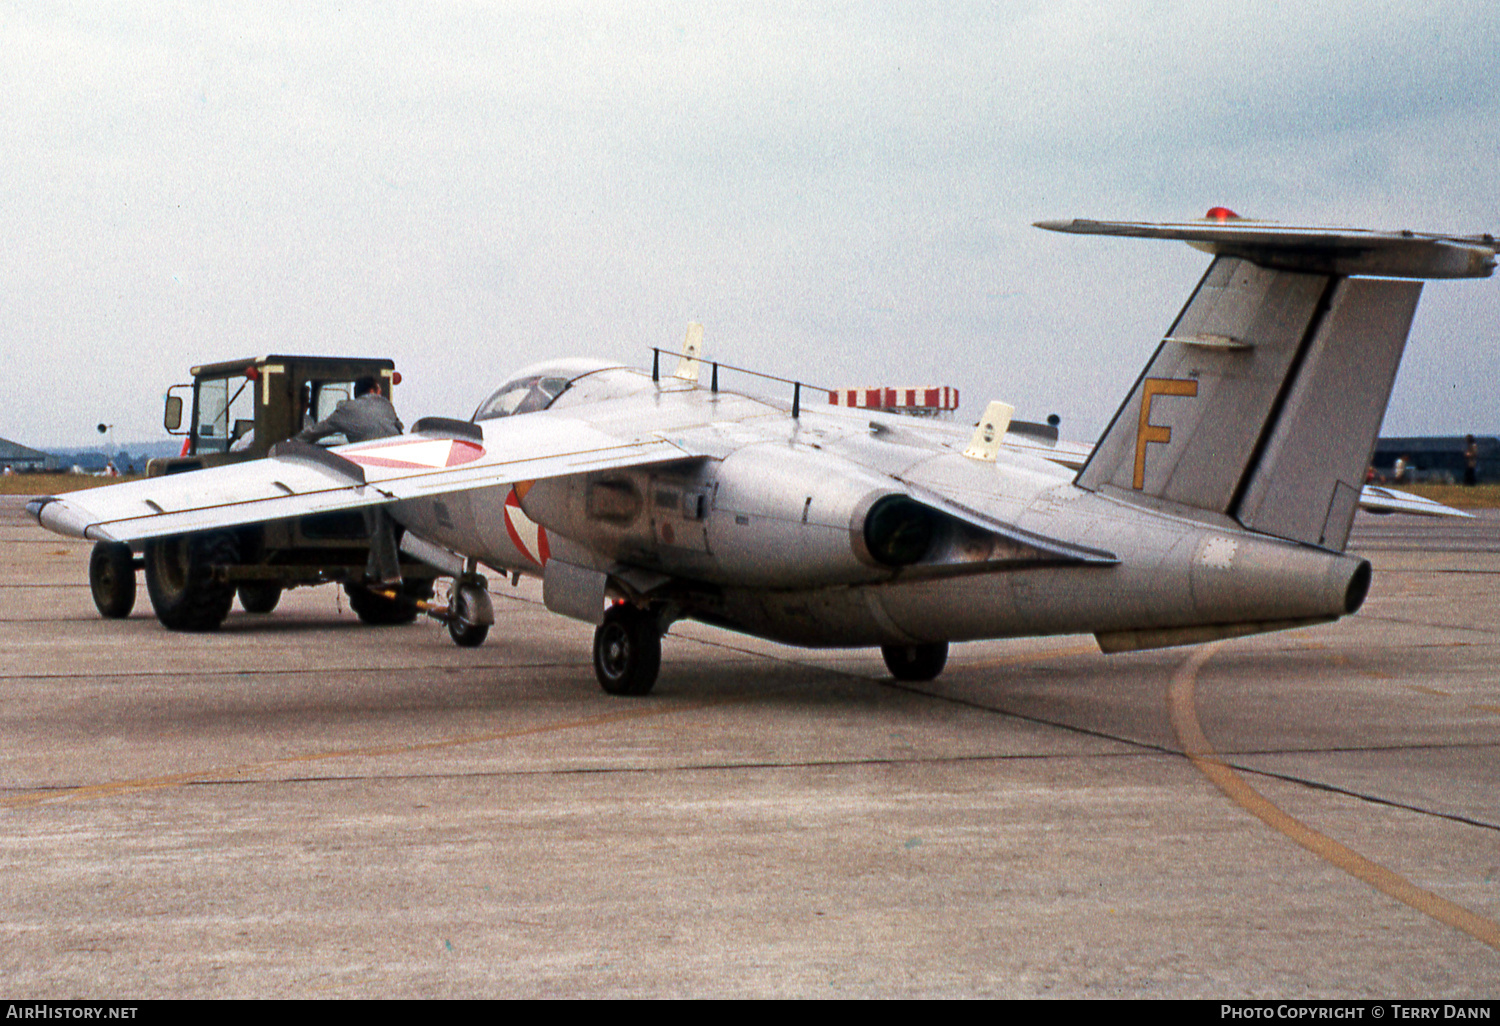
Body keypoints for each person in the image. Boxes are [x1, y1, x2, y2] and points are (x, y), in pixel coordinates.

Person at [297, 377, 403, 444]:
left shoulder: (347, 409)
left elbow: (315, 432)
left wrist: (292, 443)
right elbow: (399, 428)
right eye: (379, 391)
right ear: (372, 391)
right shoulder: (386, 405)